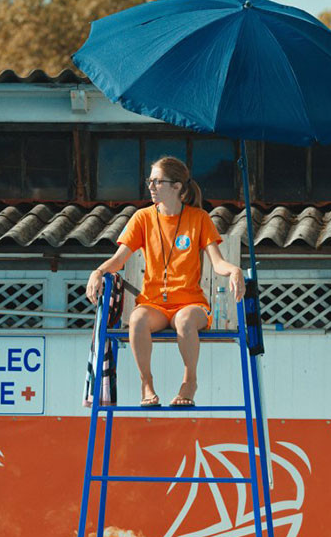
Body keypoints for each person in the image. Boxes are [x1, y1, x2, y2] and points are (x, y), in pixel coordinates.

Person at [86, 156, 245, 408]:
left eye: (158, 181)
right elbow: (118, 260)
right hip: (154, 305)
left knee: (183, 320)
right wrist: (98, 271)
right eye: (150, 181)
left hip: (191, 305)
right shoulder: (142, 218)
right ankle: (146, 383)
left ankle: (189, 381)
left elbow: (217, 263)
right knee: (137, 319)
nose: (151, 186)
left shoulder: (199, 218)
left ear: (177, 187)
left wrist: (234, 270)